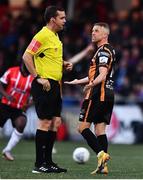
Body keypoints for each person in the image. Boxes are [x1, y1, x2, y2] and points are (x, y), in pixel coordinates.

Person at [22, 5, 93, 174]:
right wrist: (38, 78)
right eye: (62, 18)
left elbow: (47, 58)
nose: (65, 20)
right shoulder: (42, 35)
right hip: (44, 85)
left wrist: (63, 64)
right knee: (45, 122)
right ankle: (39, 164)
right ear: (53, 19)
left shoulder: (55, 37)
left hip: (55, 85)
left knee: (55, 123)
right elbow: (27, 56)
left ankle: (48, 162)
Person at [65, 22, 116, 175]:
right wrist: (78, 82)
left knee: (82, 128)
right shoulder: (108, 50)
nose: (92, 33)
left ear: (105, 34)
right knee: (100, 130)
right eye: (92, 30)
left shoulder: (103, 52)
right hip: (108, 94)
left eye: (96, 31)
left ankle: (101, 154)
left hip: (97, 94)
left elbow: (102, 75)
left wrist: (90, 85)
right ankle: (102, 166)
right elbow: (96, 74)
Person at [0, 62, 33, 161]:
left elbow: (35, 96)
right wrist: (6, 95)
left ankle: (7, 150)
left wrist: (28, 105)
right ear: (23, 64)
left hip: (19, 108)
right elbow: (0, 84)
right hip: (5, 104)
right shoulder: (12, 71)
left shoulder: (33, 78)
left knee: (21, 123)